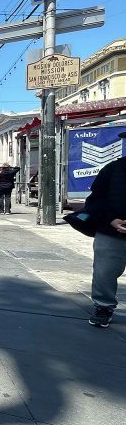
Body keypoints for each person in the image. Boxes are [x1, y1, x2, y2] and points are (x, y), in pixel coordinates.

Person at [85, 136, 126, 327]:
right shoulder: (113, 169)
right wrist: (111, 219)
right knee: (104, 271)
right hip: (111, 230)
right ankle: (103, 306)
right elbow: (95, 200)